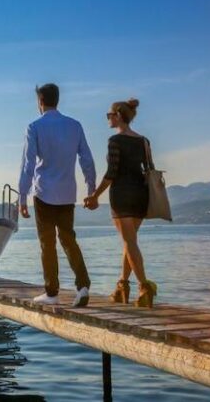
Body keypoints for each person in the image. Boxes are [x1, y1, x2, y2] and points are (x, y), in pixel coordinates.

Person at [19, 83, 97, 306]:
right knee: (68, 240)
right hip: (67, 193)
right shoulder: (75, 126)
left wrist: (21, 197)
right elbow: (87, 160)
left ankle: (51, 292)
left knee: (47, 244)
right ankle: (82, 286)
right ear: (57, 100)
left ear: (40, 101)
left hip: (43, 193)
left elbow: (28, 165)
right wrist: (91, 189)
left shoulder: (34, 127)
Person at [84, 98, 158, 308]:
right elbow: (150, 168)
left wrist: (95, 195)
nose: (107, 118)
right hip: (141, 195)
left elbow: (111, 173)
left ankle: (144, 287)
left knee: (129, 242)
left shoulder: (115, 141)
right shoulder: (144, 141)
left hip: (122, 196)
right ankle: (121, 287)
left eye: (109, 115)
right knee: (130, 241)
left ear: (118, 115)